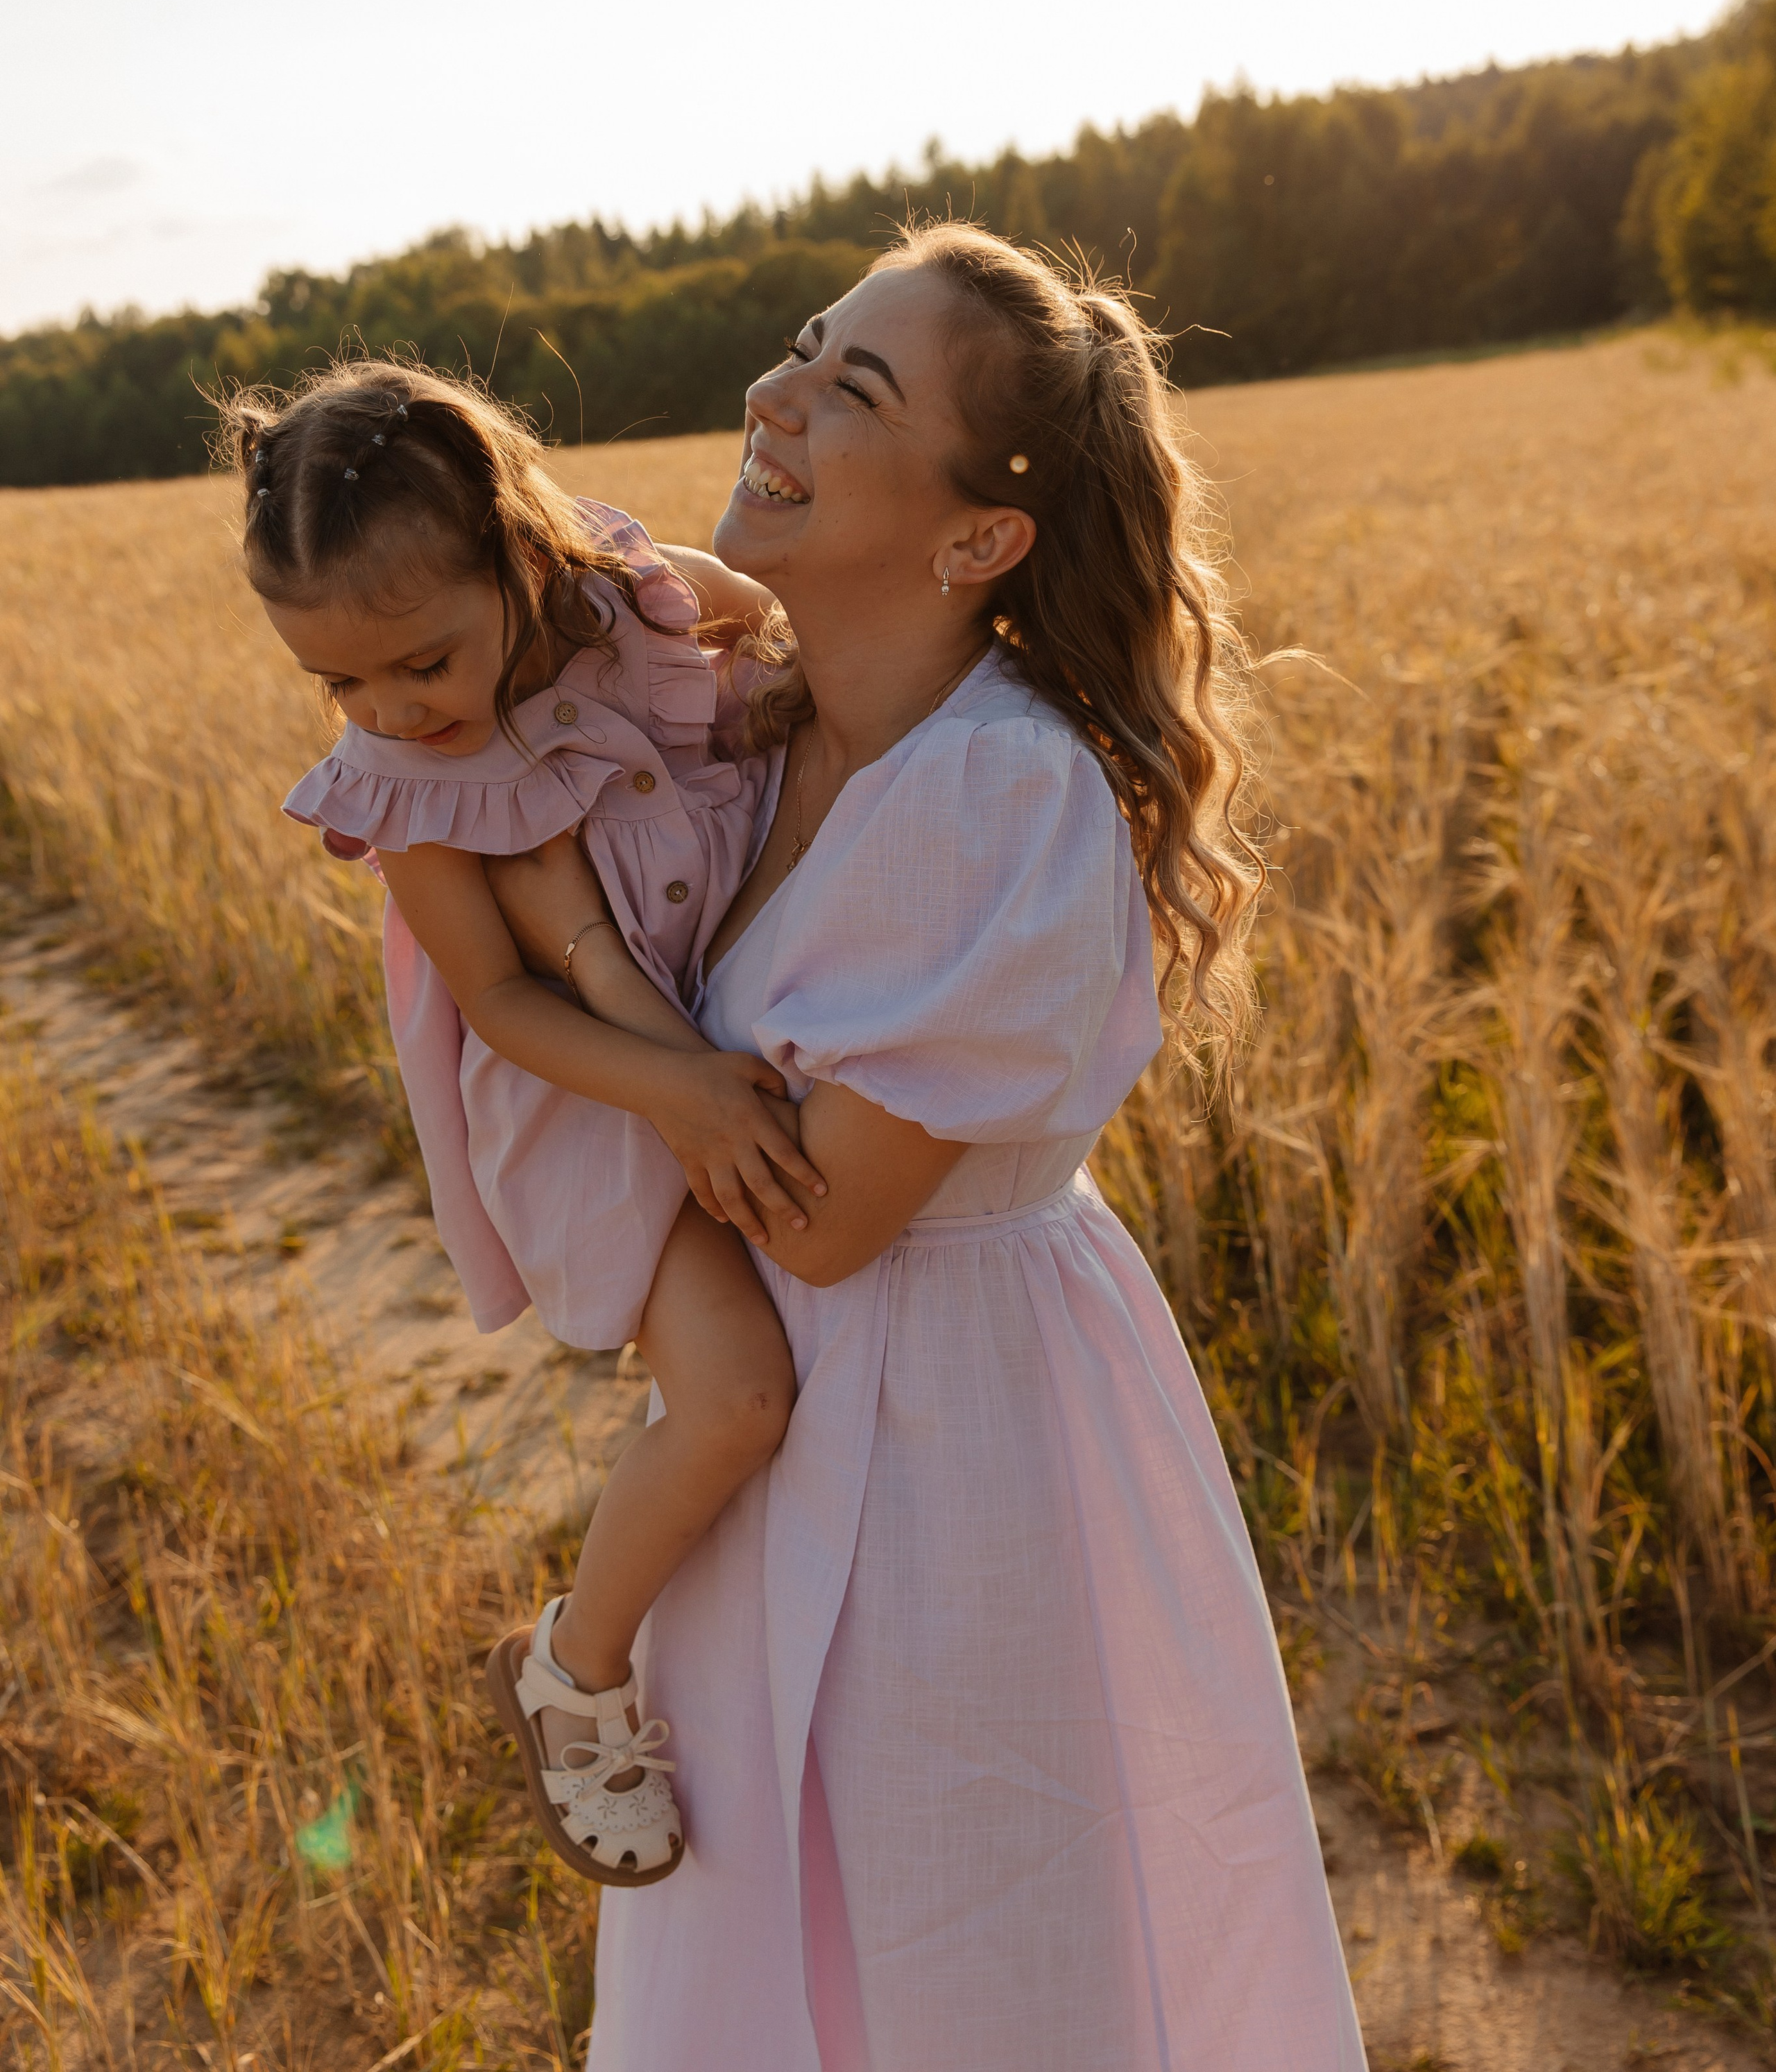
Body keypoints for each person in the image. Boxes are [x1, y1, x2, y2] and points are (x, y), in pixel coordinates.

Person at [486, 225, 1366, 2071]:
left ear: (979, 540)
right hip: (785, 1437)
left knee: (958, 1945)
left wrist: (601, 1052)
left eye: (851, 386)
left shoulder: (1002, 783)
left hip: (955, 1433)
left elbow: (819, 1221)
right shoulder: (764, 730)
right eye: (805, 346)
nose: (771, 394)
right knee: (776, 1942)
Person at [225, 361, 825, 1890]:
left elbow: (780, 655)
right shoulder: (403, 779)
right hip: (600, 1106)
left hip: (744, 1023)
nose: (383, 712)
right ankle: (578, 1667)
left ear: (513, 549)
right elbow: (497, 999)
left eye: (417, 662)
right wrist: (678, 1090)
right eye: (336, 685)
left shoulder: (644, 605)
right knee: (737, 1403)